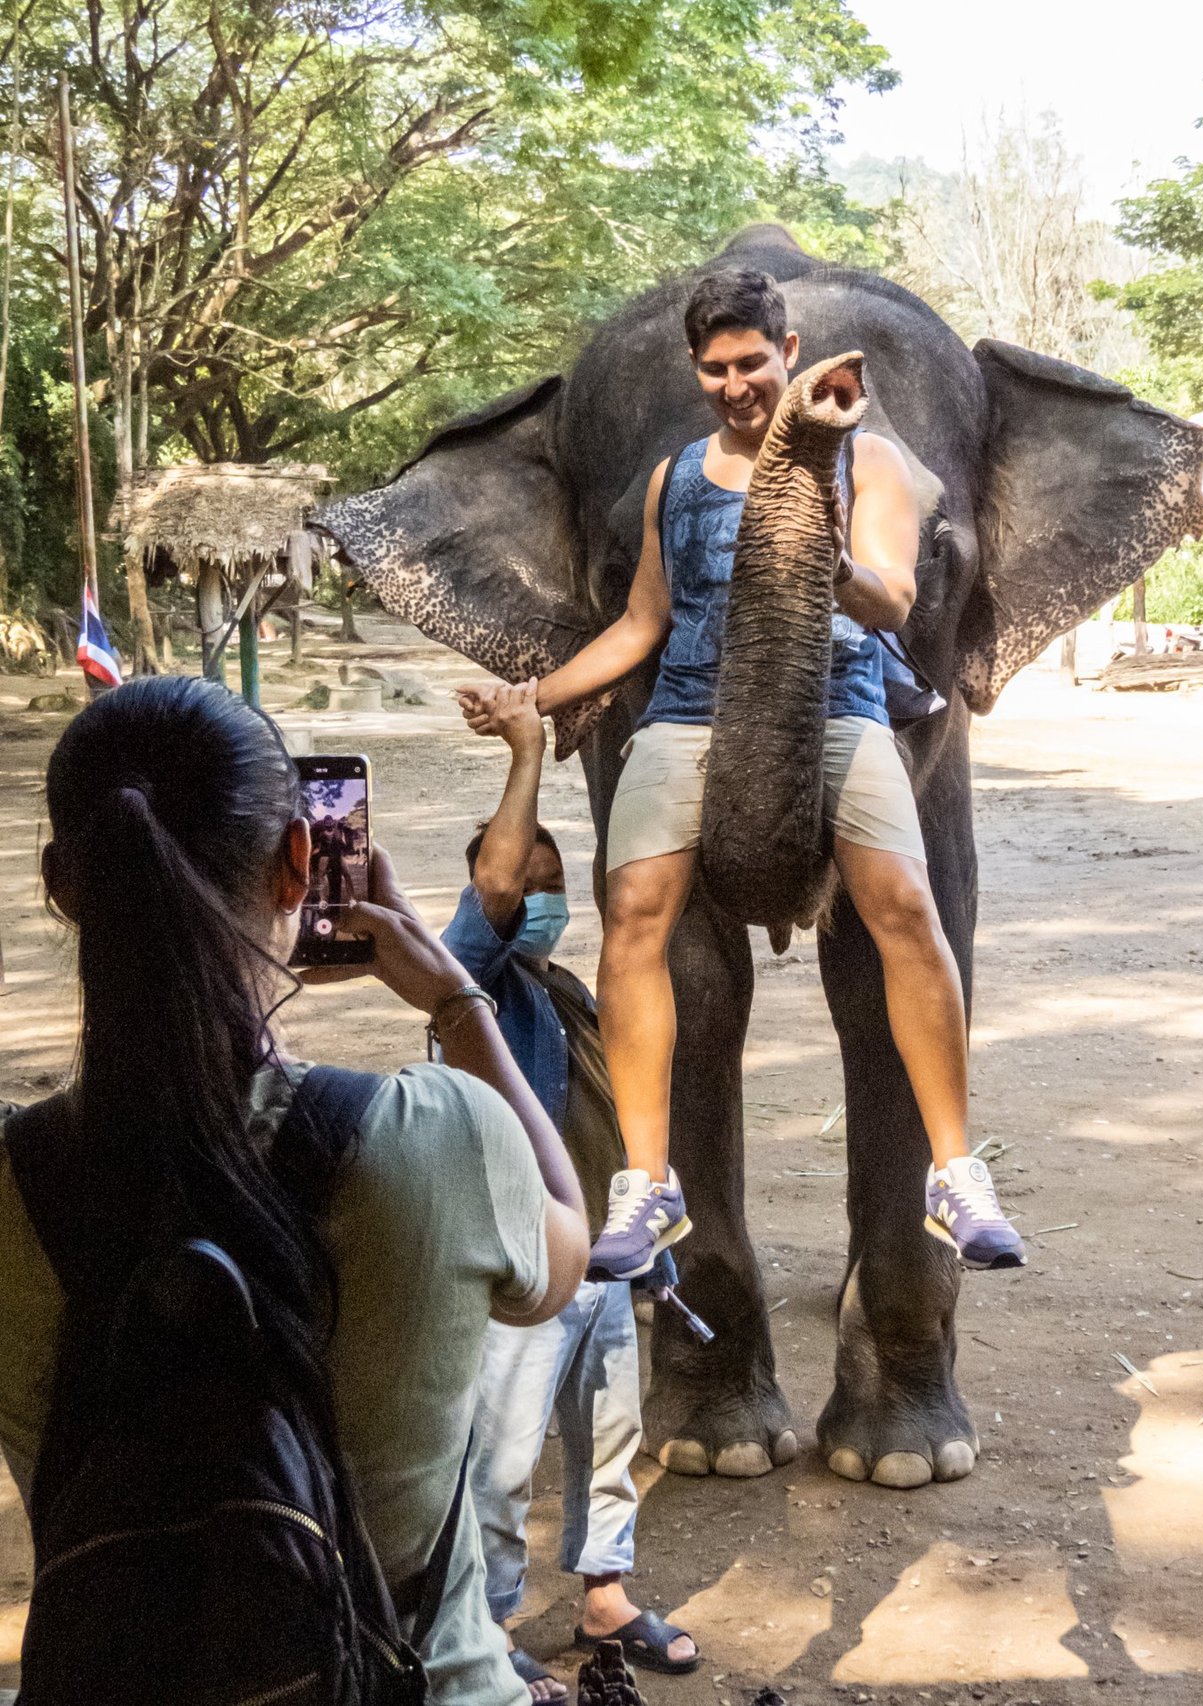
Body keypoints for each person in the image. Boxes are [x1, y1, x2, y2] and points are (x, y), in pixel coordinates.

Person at [0, 675, 590, 1706]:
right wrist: (457, 1000)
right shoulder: (436, 1135)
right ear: (297, 866)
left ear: (62, 884)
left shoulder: (10, 1185)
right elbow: (562, 1253)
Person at [460, 268, 1024, 1278]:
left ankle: (951, 1168)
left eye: (750, 363)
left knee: (905, 906)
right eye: (714, 369)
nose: (734, 384)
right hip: (686, 717)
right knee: (635, 913)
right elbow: (639, 621)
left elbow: (893, 600)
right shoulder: (673, 481)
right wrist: (533, 698)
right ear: (696, 372)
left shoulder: (873, 463)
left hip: (841, 707)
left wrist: (813, 544)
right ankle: (645, 1181)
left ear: (788, 355)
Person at [444, 679, 698, 1701]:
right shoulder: (472, 984)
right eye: (524, 879)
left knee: (610, 1445)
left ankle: (604, 1592)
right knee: (501, 1460)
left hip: (601, 1257)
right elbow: (495, 891)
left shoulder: (576, 996)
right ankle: (488, 1621)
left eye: (557, 878)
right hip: (521, 1266)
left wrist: (655, 1255)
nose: (537, 893)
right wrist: (523, 758)